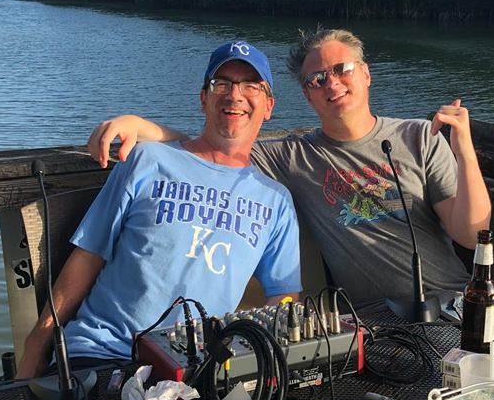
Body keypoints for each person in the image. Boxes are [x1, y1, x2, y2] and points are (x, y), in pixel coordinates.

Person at [86, 28, 494, 400]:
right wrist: (143, 127)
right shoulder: (292, 157)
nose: (331, 84)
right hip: (392, 325)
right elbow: (218, 139)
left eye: (341, 70)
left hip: (470, 304)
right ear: (305, 97)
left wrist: (465, 149)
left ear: (366, 74)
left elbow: (472, 234)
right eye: (316, 79)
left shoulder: (419, 138)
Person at [16, 41, 301, 378]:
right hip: (102, 351)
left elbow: (283, 294)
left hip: (195, 369)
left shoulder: (275, 200)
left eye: (251, 85)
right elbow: (88, 255)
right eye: (221, 83)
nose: (235, 95)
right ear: (203, 98)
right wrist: (37, 344)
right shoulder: (147, 159)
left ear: (268, 106)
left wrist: (252, 360)